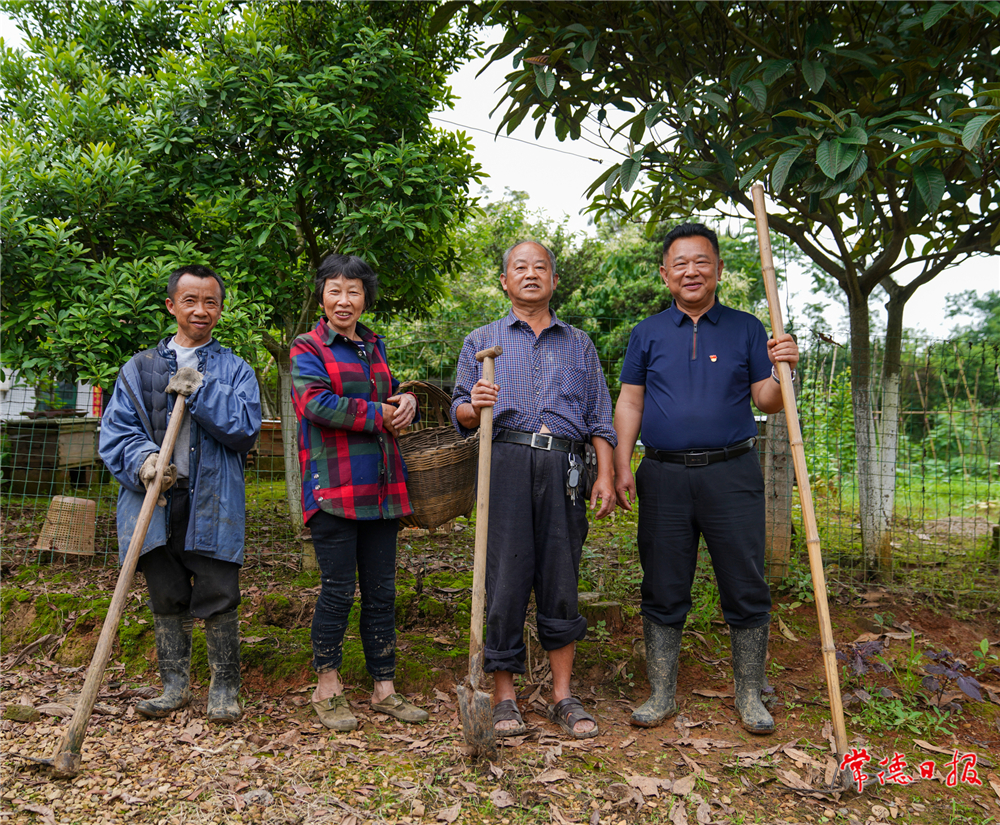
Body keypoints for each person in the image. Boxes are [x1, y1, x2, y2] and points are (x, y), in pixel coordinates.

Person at [612, 223, 799, 734]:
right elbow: (630, 400)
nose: (691, 271)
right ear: (665, 274)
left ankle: (749, 694)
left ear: (718, 269)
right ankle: (661, 692)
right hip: (664, 475)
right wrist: (622, 462)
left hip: (733, 473)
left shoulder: (747, 328)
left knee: (745, 581)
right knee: (663, 581)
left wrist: (786, 372)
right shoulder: (646, 333)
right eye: (681, 263)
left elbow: (767, 400)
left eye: (701, 261)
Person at [450, 240, 617, 740]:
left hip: (565, 465)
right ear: (504, 281)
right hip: (504, 461)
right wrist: (473, 402)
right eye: (519, 268)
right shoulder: (482, 340)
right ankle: (504, 698)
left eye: (540, 267)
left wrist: (605, 474)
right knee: (505, 577)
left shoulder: (579, 344)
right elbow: (458, 413)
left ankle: (563, 694)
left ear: (554, 280)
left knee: (561, 575)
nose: (529, 274)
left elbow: (599, 419)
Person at [99, 264, 261, 724]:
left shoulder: (235, 369)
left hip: (213, 499)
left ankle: (225, 689)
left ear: (221, 309)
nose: (201, 310)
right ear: (171, 305)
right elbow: (115, 432)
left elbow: (245, 429)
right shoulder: (139, 368)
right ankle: (174, 688)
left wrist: (202, 390)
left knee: (217, 591)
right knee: (166, 593)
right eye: (190, 300)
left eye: (211, 301)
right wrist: (145, 462)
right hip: (154, 499)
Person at [290, 253, 428, 732]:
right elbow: (314, 403)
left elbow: (387, 394)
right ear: (323, 296)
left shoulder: (373, 345)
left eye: (353, 291)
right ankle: (326, 688)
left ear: (365, 297)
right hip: (334, 488)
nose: (343, 300)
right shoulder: (308, 346)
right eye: (334, 290)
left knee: (382, 591)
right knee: (336, 590)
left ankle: (383, 688)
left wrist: (405, 398)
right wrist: (379, 415)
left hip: (381, 489)